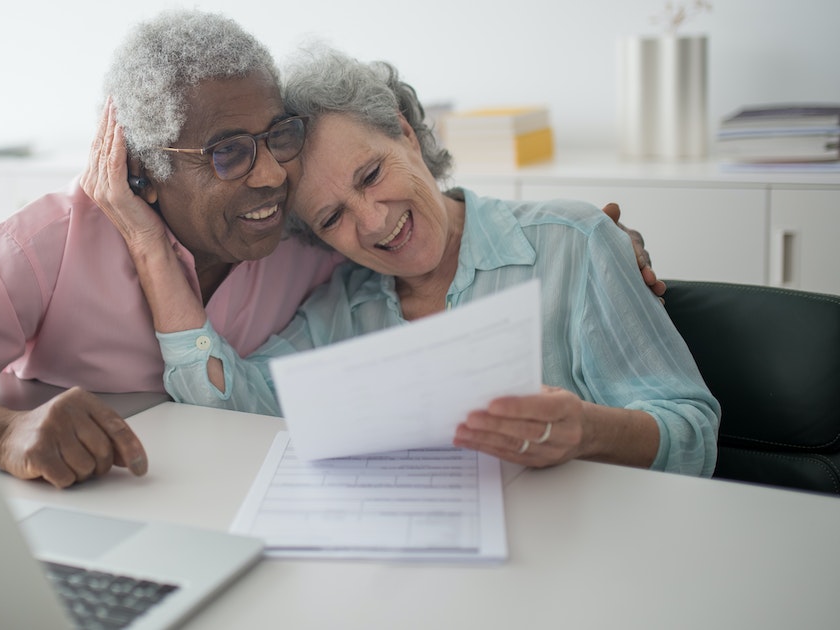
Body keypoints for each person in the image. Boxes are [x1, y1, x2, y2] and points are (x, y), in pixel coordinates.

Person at [0, 10, 662, 488]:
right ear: (147, 172)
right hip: (68, 516)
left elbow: (425, 227)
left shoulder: (312, 238)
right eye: (229, 152)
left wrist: (599, 239)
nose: (271, 175)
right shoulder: (52, 243)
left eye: (279, 137)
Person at [85, 47, 720, 476]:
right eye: (331, 218)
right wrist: (149, 246)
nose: (373, 221)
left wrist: (586, 431)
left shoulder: (573, 242)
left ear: (405, 133)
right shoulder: (341, 308)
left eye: (370, 174)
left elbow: (693, 434)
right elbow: (225, 409)